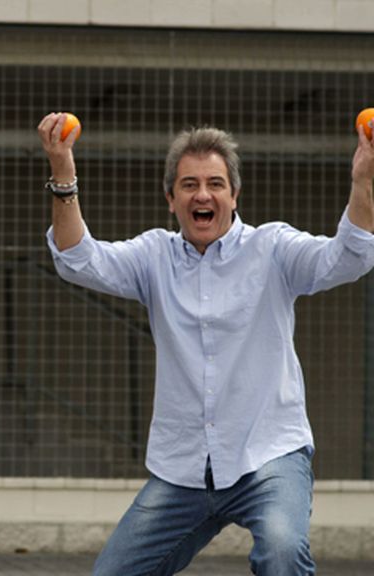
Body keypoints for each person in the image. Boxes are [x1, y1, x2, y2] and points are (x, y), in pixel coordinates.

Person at [39, 112, 374, 575]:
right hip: (184, 469)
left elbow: (348, 257)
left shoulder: (272, 249)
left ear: (234, 196)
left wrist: (363, 179)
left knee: (280, 551)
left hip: (268, 455)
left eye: (216, 184)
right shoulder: (153, 257)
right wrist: (63, 171)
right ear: (171, 199)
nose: (203, 194)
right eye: (189, 184)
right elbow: (77, 259)